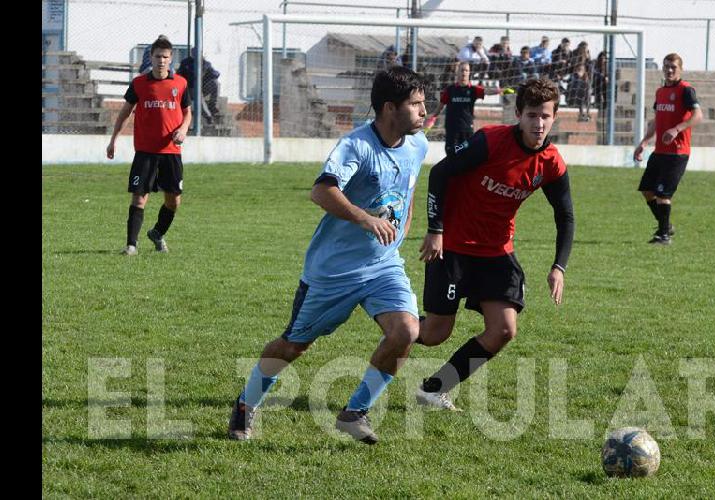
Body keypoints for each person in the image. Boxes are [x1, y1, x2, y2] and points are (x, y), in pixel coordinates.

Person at [227, 66, 430, 445]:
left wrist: (402, 232)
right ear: (389, 108)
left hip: (384, 265)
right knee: (293, 346)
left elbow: (409, 187)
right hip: (333, 272)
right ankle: (246, 404)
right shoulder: (357, 146)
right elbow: (322, 192)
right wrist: (366, 219)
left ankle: (354, 413)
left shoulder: (418, 145)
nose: (424, 111)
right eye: (415, 104)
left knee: (406, 331)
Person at [412, 77, 575, 411]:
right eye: (532, 114)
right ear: (518, 114)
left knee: (503, 330)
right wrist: (436, 229)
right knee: (434, 334)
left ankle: (434, 389)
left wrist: (559, 266)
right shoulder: (490, 142)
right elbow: (440, 174)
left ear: (554, 117)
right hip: (453, 245)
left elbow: (566, 216)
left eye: (545, 115)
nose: (538, 122)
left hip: (497, 252)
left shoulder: (552, 163)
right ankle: (398, 325)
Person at [107, 35, 192, 255]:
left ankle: (157, 233)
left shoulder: (180, 83)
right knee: (139, 197)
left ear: (171, 58)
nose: (161, 61)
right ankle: (131, 245)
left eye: (165, 57)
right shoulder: (139, 84)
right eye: (157, 56)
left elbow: (187, 113)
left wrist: (183, 131)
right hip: (145, 152)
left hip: (171, 152)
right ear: (150, 58)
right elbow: (125, 112)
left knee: (174, 201)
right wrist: (113, 139)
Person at [632, 53, 703, 245]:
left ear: (680, 69)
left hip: (677, 153)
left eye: (673, 67)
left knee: (663, 194)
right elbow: (656, 120)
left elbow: (698, 116)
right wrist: (644, 142)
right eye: (666, 67)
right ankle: (666, 226)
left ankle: (663, 236)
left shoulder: (686, 90)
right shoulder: (660, 92)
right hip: (660, 151)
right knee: (647, 190)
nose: (669, 70)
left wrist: (677, 128)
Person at [425, 62, 507, 156]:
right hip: (452, 128)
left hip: (467, 129)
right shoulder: (450, 90)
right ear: (458, 72)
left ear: (469, 73)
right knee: (451, 153)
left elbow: (487, 91)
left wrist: (501, 91)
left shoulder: (473, 89)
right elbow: (439, 108)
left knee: (467, 154)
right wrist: (430, 120)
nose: (464, 72)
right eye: (462, 70)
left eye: (466, 70)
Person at [176, 50, 222, 125]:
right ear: (191, 54)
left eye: (198, 53)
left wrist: (207, 73)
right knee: (198, 95)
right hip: (189, 89)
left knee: (215, 83)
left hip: (202, 87)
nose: (195, 55)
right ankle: (208, 116)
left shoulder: (205, 63)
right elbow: (178, 75)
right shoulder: (185, 63)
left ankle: (213, 105)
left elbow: (215, 74)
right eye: (194, 53)